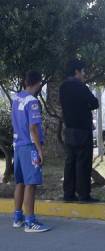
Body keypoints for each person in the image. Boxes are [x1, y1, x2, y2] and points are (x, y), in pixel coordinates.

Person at [11, 70, 50, 232]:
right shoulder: (32, 102)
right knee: (31, 184)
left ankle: (18, 217)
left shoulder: (17, 98)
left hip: (18, 146)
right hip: (29, 146)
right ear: (38, 82)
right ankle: (30, 222)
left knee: (20, 182)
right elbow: (33, 127)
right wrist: (40, 150)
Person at [60, 59, 99, 203]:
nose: (84, 74)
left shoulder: (63, 86)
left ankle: (68, 194)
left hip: (69, 129)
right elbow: (95, 103)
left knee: (70, 162)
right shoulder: (81, 86)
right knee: (83, 163)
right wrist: (85, 107)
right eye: (83, 71)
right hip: (82, 129)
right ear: (77, 71)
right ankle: (84, 195)